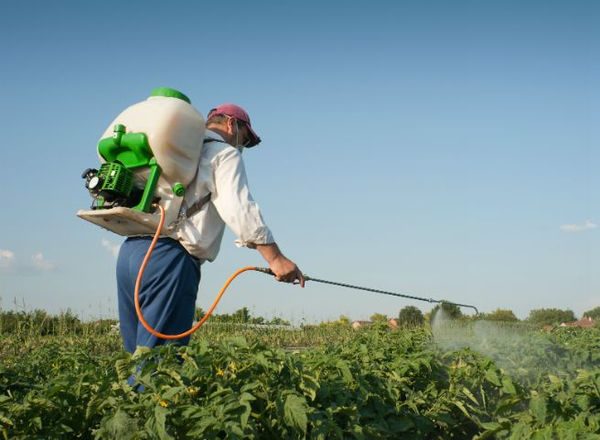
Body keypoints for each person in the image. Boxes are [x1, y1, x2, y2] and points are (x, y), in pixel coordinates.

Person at [116, 103, 303, 353]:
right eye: (244, 139)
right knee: (160, 367)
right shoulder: (223, 153)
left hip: (131, 253)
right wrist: (276, 258)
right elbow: (239, 207)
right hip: (169, 259)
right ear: (231, 124)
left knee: (136, 356)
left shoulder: (174, 150)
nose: (241, 146)